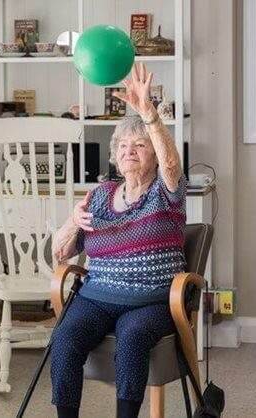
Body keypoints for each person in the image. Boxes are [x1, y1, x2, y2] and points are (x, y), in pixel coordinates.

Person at [50, 63, 186, 418]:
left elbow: (172, 166)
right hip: (96, 297)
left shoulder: (164, 192)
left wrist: (149, 115)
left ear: (154, 154)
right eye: (123, 145)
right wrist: (69, 223)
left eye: (140, 145)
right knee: (64, 338)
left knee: (133, 336)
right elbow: (60, 254)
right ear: (114, 154)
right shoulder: (99, 195)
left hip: (151, 301)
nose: (129, 151)